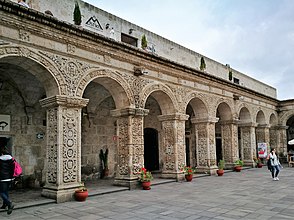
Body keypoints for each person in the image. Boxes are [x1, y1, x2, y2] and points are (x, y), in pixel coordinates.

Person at [0, 147, 14, 215]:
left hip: (2, 178)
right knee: (5, 191)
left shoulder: (0, 160)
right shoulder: (11, 159)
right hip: (9, 178)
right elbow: (12, 169)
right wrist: (11, 177)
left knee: (1, 192)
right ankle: (4, 205)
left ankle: (9, 203)